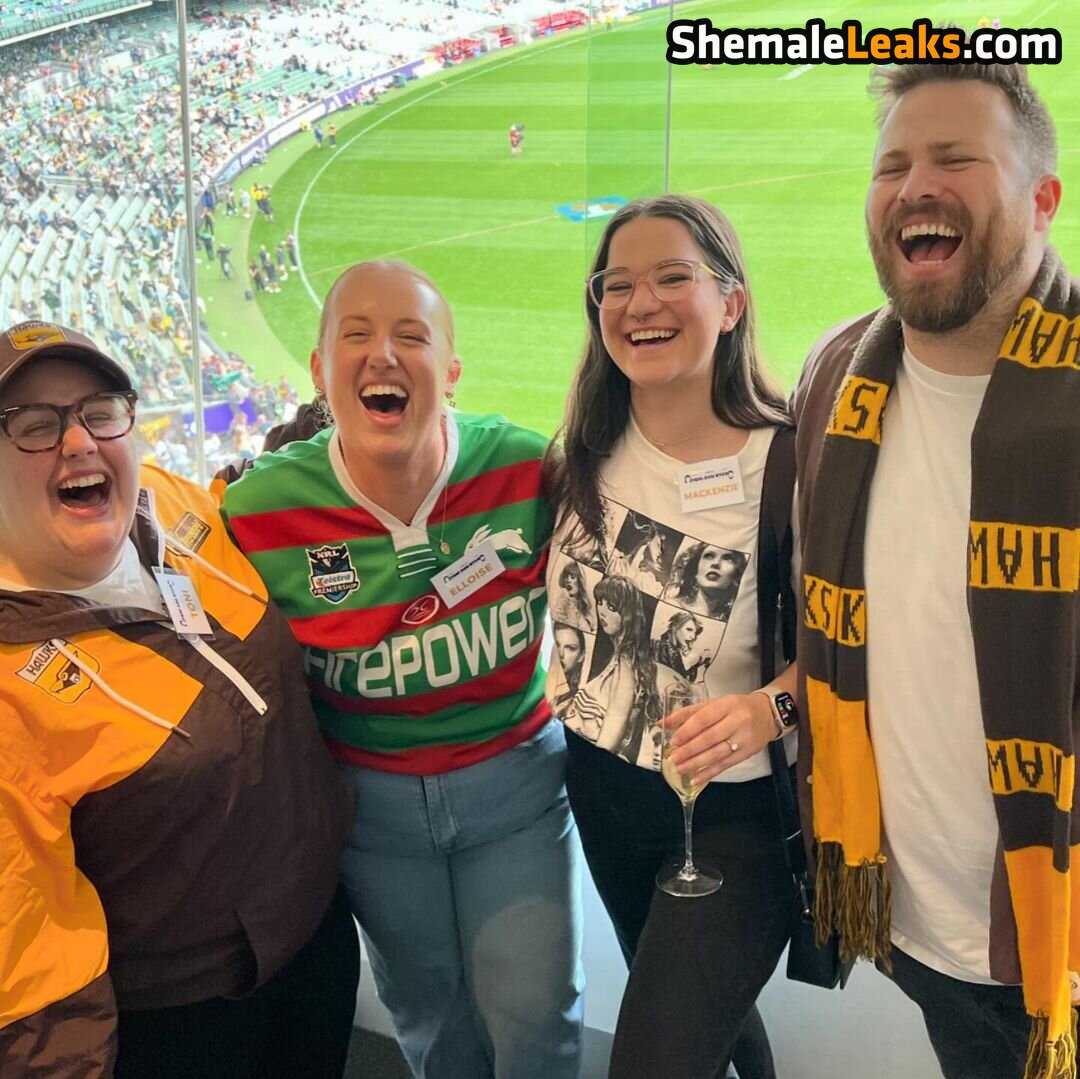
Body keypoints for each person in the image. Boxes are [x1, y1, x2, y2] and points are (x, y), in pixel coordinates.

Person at [220, 261, 584, 1079]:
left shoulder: (525, 470)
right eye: (357, 334)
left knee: (534, 1011)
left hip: (515, 790)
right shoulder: (254, 509)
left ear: (450, 371)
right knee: (430, 1015)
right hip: (370, 809)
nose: (382, 353)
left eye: (411, 336)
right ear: (320, 371)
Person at [793, 61, 1076, 1079]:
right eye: (893, 166)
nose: (917, 185)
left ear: (1042, 199)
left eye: (957, 158)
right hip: (922, 933)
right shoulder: (836, 379)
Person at [0, 321, 357, 1077]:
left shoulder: (167, 504)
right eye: (34, 425)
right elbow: (28, 956)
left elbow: (246, 499)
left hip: (318, 938)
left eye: (99, 412)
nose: (78, 442)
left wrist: (340, 426)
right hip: (182, 1017)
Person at [546, 193, 800, 1079]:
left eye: (670, 277)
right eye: (615, 284)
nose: (639, 303)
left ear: (731, 303)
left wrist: (772, 708)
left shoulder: (790, 463)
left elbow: (871, 634)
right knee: (701, 1021)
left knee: (656, 1057)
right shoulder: (579, 452)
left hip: (735, 813)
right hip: (604, 790)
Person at [653, 609, 711, 683]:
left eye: (695, 633)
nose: (693, 636)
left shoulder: (674, 649)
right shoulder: (663, 647)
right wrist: (693, 661)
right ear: (675, 627)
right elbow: (678, 678)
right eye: (689, 629)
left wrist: (697, 664)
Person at [549, 557, 595, 630]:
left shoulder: (588, 614)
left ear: (579, 581)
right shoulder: (560, 603)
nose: (568, 580)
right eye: (566, 577)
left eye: (572, 577)